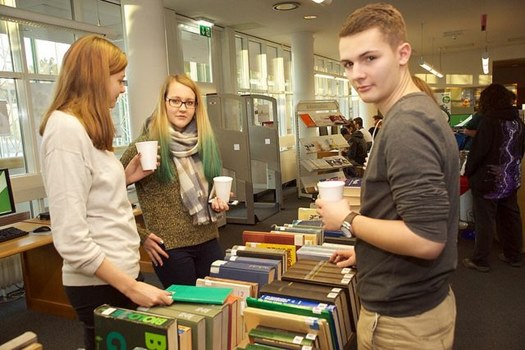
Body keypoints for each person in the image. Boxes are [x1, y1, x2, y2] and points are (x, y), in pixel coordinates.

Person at [316, 3, 459, 349]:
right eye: (348, 64)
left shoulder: (406, 125)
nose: (356, 74)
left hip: (403, 323)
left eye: (370, 58)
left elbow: (426, 239)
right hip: (417, 302)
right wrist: (367, 254)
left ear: (402, 54)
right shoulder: (416, 112)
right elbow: (402, 213)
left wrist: (347, 220)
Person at [39, 35, 173, 350]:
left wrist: (126, 177)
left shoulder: (84, 129)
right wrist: (132, 288)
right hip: (101, 284)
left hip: (116, 275)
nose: (123, 89)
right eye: (119, 80)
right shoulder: (65, 131)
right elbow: (71, 238)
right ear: (96, 79)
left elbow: (93, 195)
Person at [121, 74, 228, 288]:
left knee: (219, 302)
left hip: (208, 238)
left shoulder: (204, 143)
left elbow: (210, 192)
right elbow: (106, 196)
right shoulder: (145, 146)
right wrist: (140, 234)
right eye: (175, 101)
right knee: (188, 310)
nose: (182, 108)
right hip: (170, 247)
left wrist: (218, 201)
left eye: (189, 102)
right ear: (164, 102)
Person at [463, 83, 525, 272]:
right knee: (511, 216)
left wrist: (469, 172)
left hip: (488, 179)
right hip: (511, 177)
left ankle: (481, 260)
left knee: (485, 219)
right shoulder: (518, 122)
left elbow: (479, 152)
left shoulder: (489, 121)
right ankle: (513, 255)